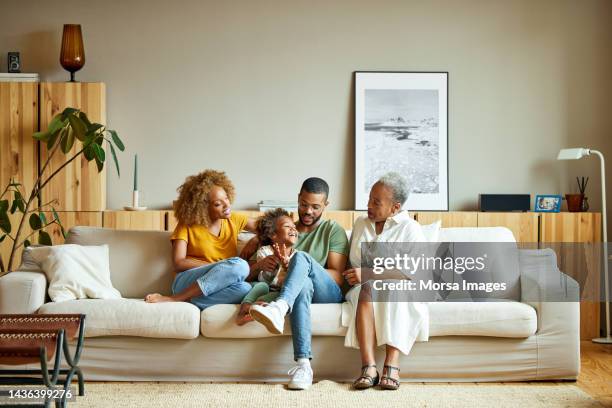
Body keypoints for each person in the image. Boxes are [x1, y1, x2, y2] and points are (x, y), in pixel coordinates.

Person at [244, 177, 349, 390]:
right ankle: (303, 365)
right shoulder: (284, 230)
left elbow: (338, 276)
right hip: (302, 292)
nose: (308, 211)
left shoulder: (332, 230)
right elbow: (249, 272)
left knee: (301, 259)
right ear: (298, 199)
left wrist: (299, 270)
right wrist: (256, 241)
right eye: (304, 204)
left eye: (315, 207)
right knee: (302, 287)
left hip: (327, 292)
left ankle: (280, 307)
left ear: (326, 205)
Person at [342, 172, 429, 390]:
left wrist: (371, 272)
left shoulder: (410, 228)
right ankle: (369, 366)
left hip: (401, 287)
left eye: (376, 202)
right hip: (364, 287)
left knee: (392, 286)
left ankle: (392, 363)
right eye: (369, 198)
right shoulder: (361, 224)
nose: (368, 205)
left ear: (395, 207)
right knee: (368, 288)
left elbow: (412, 271)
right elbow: (354, 261)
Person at [144, 169, 258, 309]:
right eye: (218, 204)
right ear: (203, 207)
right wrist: (219, 267)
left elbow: (268, 228)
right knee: (240, 266)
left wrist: (256, 239)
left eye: (226, 198)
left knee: (245, 289)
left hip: (217, 284)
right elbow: (178, 262)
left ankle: (190, 300)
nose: (227, 205)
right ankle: (175, 298)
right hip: (187, 281)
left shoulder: (234, 219)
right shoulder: (187, 224)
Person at [236, 208, 298, 325]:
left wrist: (286, 268)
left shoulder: (297, 257)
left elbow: (293, 282)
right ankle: (245, 307)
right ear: (273, 234)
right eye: (287, 226)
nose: (293, 229)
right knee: (261, 286)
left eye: (294, 226)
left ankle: (257, 308)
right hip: (264, 285)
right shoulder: (265, 251)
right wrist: (275, 262)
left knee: (280, 296)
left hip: (278, 291)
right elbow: (265, 279)